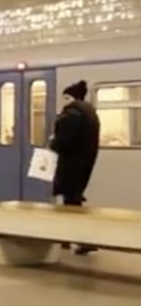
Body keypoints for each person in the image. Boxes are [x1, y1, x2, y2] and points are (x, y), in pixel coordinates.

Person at [49, 79, 101, 255]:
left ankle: (82, 239)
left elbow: (64, 140)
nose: (62, 101)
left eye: (65, 97)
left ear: (71, 97)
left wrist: (53, 143)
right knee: (73, 199)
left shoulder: (72, 113)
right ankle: (69, 238)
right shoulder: (89, 112)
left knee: (71, 201)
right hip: (84, 162)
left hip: (71, 164)